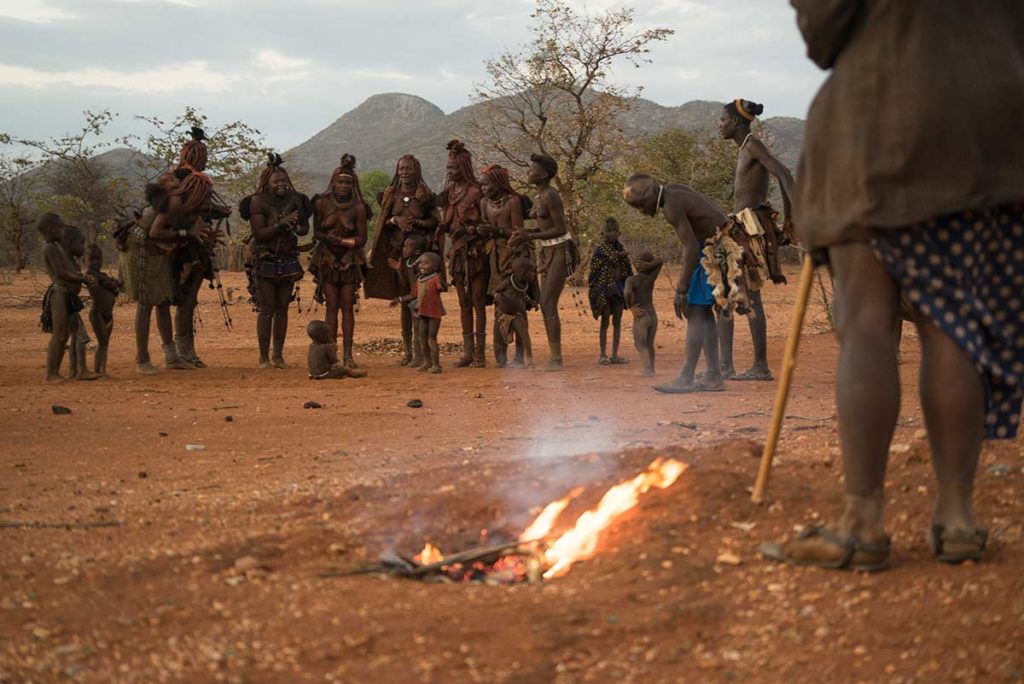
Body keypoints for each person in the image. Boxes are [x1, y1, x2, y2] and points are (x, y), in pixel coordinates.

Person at [761, 0, 1024, 571]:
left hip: (887, 117)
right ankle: (958, 518)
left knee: (867, 324)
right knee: (951, 322)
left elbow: (824, 30)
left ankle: (861, 521)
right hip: (994, 126)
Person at [622, 175, 726, 393]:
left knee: (696, 311)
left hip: (711, 250)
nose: (641, 211)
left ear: (649, 195)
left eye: (640, 205)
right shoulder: (672, 191)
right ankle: (713, 375)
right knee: (703, 313)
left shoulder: (671, 206)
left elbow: (690, 248)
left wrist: (681, 288)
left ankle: (687, 377)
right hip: (717, 246)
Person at [716, 99, 796, 381]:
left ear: (736, 122)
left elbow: (784, 173)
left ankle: (759, 366)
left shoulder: (752, 145)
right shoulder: (744, 148)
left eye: (723, 120)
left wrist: (791, 219)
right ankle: (725, 366)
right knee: (727, 295)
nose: (720, 125)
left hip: (748, 227)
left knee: (747, 294)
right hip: (739, 226)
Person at [364, 155, 438, 363]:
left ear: (417, 171)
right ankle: (408, 353)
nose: (404, 172)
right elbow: (383, 222)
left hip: (419, 259)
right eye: (401, 169)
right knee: (405, 303)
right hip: (397, 255)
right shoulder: (391, 194)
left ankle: (422, 352)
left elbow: (435, 221)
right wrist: (395, 220)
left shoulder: (424, 195)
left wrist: (415, 222)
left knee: (419, 301)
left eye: (409, 169)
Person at [508, 153, 578, 370]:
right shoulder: (539, 196)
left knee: (548, 303)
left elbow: (560, 229)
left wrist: (528, 236)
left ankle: (556, 359)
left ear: (544, 174)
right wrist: (527, 232)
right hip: (548, 251)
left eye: (532, 169)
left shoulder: (551, 195)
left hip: (559, 250)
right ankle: (554, 357)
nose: (529, 172)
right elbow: (545, 227)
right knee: (546, 303)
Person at [244, 153, 311, 369]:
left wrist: (296, 226)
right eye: (276, 181)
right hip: (265, 257)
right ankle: (263, 357)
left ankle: (278, 356)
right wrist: (281, 224)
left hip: (287, 258)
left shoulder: (295, 199)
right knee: (267, 308)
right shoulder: (257, 201)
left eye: (283, 180)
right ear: (267, 182)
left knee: (282, 307)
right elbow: (259, 233)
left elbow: (304, 228)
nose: (281, 184)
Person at [171, 127, 231, 369]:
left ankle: (182, 351)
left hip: (186, 244)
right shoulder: (195, 181)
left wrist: (216, 211)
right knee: (186, 299)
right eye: (203, 154)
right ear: (195, 156)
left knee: (187, 298)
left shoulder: (177, 179)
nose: (206, 159)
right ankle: (184, 353)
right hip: (190, 247)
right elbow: (188, 210)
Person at [435, 140, 487, 368]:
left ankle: (481, 354)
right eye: (448, 168)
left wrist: (472, 231)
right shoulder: (450, 193)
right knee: (463, 302)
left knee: (477, 301)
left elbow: (485, 222)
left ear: (464, 167)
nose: (450, 171)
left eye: (454, 168)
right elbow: (446, 222)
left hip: (476, 253)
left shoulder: (476, 191)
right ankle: (468, 352)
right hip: (457, 253)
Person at [478, 163, 534, 367]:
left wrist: (497, 232)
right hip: (494, 256)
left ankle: (520, 356)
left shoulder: (513, 201)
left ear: (499, 183)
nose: (483, 189)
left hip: (515, 256)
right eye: (481, 185)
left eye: (487, 185)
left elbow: (517, 232)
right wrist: (483, 230)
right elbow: (487, 226)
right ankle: (500, 357)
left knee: (517, 305)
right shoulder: (484, 202)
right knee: (498, 303)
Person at [38, 214, 96, 381]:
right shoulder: (49, 247)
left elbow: (67, 269)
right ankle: (51, 374)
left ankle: (70, 371)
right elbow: (60, 272)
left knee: (68, 335)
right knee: (59, 335)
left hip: (66, 296)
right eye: (60, 227)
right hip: (59, 295)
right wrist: (81, 278)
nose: (62, 231)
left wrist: (79, 276)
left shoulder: (55, 247)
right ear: (50, 229)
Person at [588, 218, 632, 365]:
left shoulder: (620, 249)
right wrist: (612, 258)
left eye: (614, 231)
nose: (611, 234)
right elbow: (594, 270)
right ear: (603, 233)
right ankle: (602, 354)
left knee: (617, 321)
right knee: (605, 320)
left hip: (619, 288)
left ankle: (614, 355)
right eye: (608, 231)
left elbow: (627, 271)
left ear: (619, 233)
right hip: (605, 289)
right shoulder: (600, 250)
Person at [387, 234, 427, 367]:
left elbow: (417, 289)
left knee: (419, 329)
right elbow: (405, 284)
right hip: (410, 299)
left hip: (419, 301)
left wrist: (400, 299)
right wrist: (399, 270)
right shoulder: (408, 263)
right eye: (404, 246)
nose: (403, 249)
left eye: (406, 247)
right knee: (406, 327)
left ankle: (420, 357)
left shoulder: (420, 265)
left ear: (416, 251)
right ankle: (408, 354)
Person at [492, 257, 538, 369]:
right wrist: (498, 297)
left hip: (518, 314)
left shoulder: (523, 284)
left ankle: (528, 359)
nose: (533, 275)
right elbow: (496, 290)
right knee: (499, 338)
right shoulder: (508, 282)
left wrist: (532, 302)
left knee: (524, 336)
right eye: (531, 272)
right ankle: (501, 360)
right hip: (504, 314)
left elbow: (523, 296)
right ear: (522, 273)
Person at [625, 250, 663, 377]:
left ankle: (646, 370)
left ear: (637, 264)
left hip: (641, 314)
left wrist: (630, 306)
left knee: (640, 344)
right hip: (652, 314)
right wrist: (650, 265)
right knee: (649, 344)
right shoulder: (650, 278)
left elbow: (627, 293)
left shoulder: (631, 280)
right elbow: (660, 261)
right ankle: (651, 369)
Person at [85, 243, 121, 377]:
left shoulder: (103, 276)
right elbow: (108, 284)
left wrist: (111, 283)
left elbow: (116, 287)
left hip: (108, 314)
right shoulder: (90, 276)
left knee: (105, 344)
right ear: (86, 261)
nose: (96, 262)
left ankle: (102, 371)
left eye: (99, 259)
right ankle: (97, 371)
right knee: (102, 342)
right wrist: (109, 282)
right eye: (92, 259)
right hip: (97, 313)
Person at [415, 252, 447, 374]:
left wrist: (441, 279)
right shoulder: (419, 280)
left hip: (434, 313)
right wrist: (400, 299)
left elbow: (443, 288)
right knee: (422, 338)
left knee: (431, 338)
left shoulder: (435, 279)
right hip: (423, 312)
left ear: (435, 267)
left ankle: (436, 364)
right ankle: (427, 362)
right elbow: (414, 294)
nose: (422, 265)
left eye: (426, 263)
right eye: (421, 262)